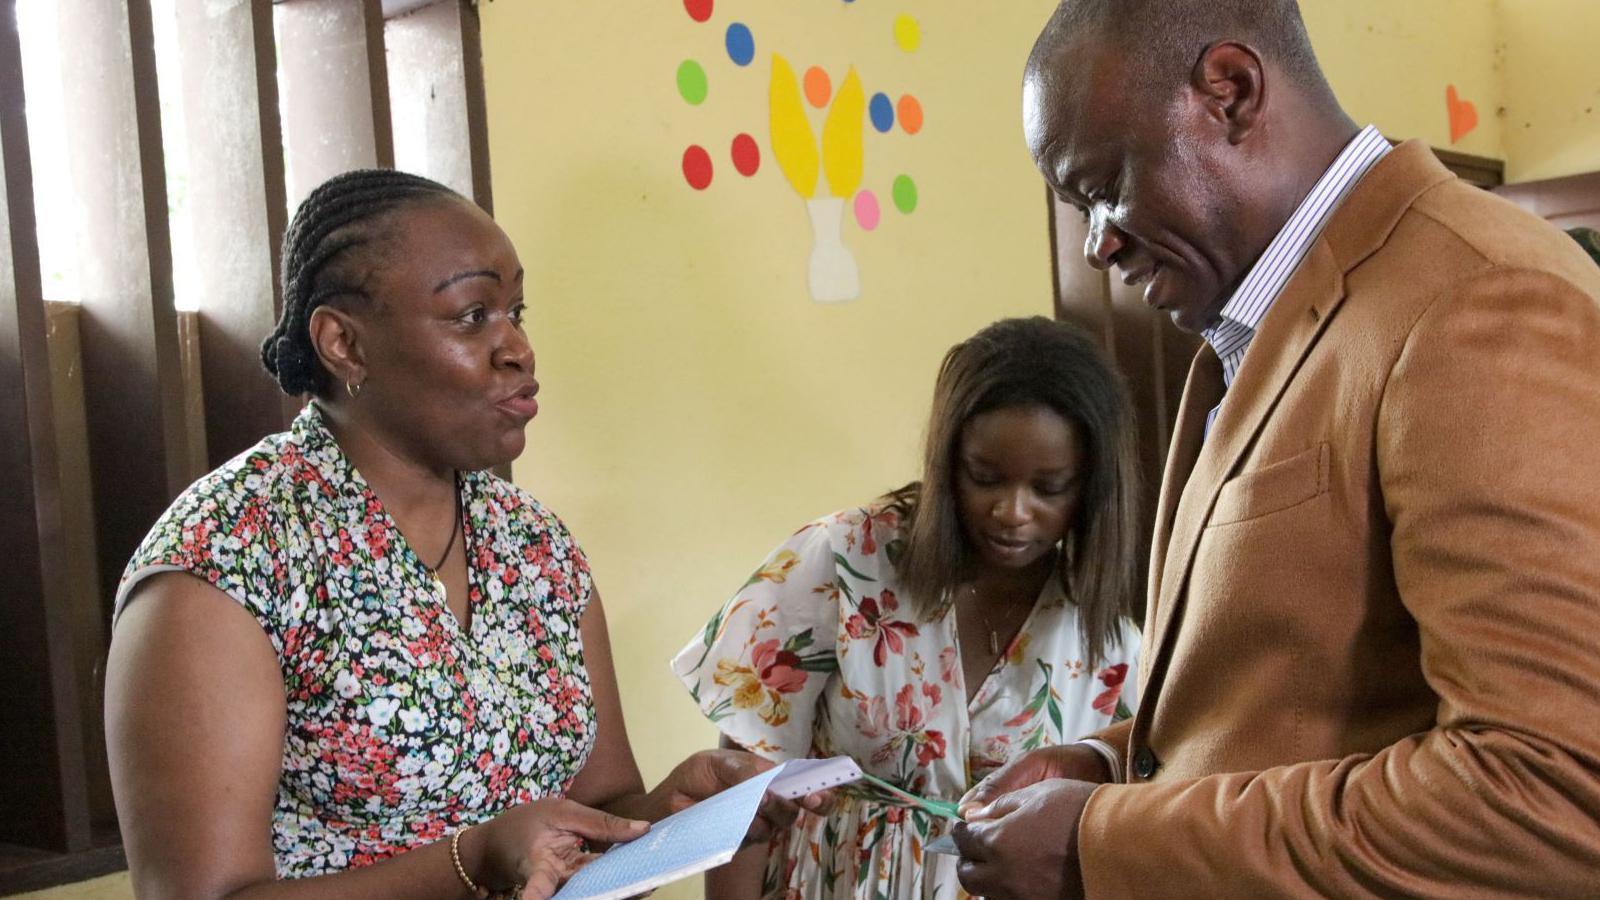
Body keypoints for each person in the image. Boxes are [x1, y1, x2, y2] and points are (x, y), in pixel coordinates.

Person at [952, 1, 1600, 898]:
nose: (1097, 242)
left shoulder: (1481, 301)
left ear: (1230, 91)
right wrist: (1112, 765)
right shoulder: (1247, 331)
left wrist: (1105, 843)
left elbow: (1548, 794)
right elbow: (1301, 696)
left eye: (1104, 186)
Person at [106, 169, 815, 899]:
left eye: (516, 311)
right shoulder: (227, 560)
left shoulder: (534, 547)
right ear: (344, 344)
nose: (518, 348)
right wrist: (468, 860)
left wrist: (671, 813)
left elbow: (594, 816)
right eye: (473, 316)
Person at [672, 316, 1145, 899]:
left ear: (1091, 486)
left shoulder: (1114, 633)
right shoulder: (844, 562)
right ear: (948, 462)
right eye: (985, 477)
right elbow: (746, 787)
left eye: (1049, 488)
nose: (1013, 511)